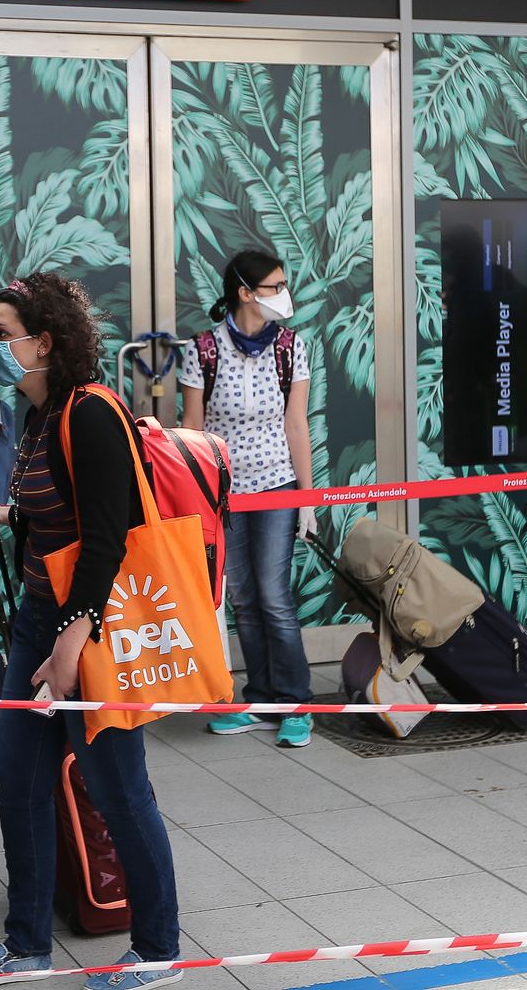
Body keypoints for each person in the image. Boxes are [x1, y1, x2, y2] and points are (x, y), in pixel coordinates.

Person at [0, 272, 182, 989]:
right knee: (19, 780)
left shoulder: (91, 413)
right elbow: (56, 519)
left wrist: (72, 641)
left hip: (90, 626)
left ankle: (158, 950)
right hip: (36, 618)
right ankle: (26, 947)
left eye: (0, 334)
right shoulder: (39, 414)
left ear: (43, 341)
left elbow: (108, 538)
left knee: (117, 786)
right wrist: (5, 514)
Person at [177, 251, 317, 749]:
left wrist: (308, 499)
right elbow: (192, 430)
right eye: (275, 285)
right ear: (244, 292)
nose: (284, 293)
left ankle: (296, 702)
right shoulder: (203, 350)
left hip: (277, 485)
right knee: (243, 598)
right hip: (222, 493)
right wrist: (190, 501)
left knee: (275, 596)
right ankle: (259, 697)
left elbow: (296, 424)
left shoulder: (291, 348)